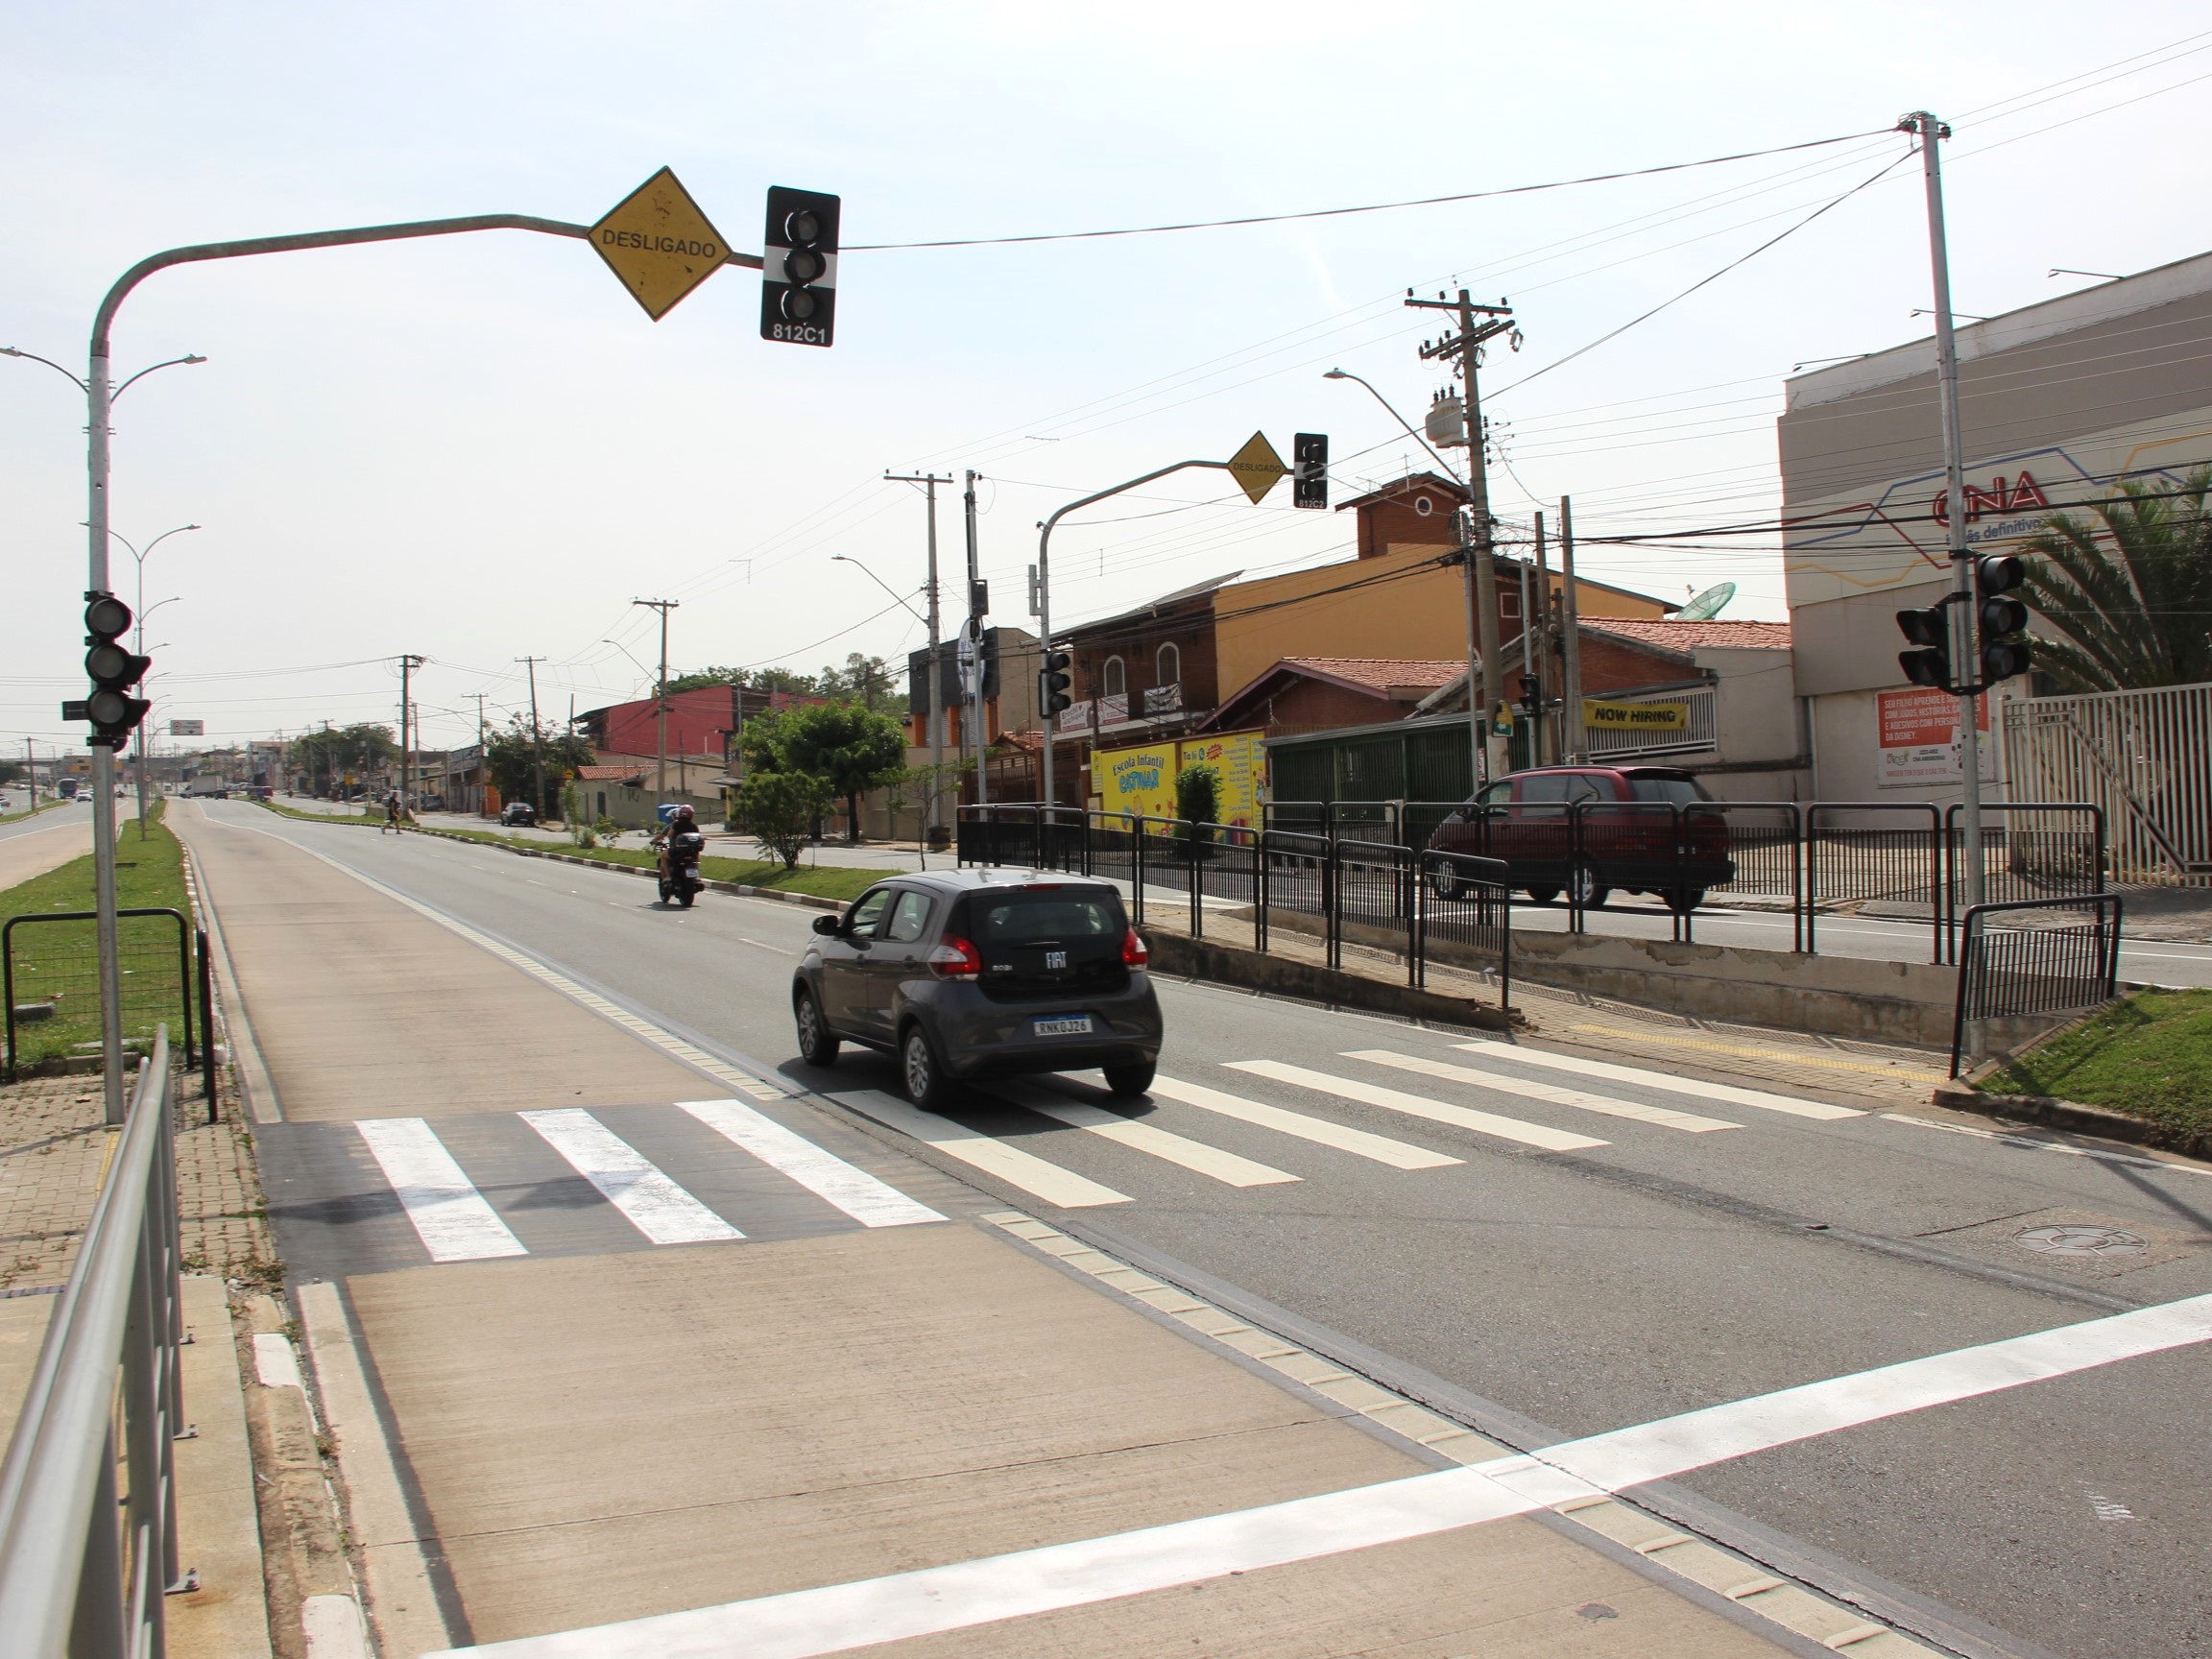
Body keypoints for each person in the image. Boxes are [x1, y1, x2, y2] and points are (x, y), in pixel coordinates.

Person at [651, 804, 698, 878]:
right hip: (691, 852)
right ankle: (695, 877)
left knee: (663, 855)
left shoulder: (675, 824)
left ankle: (668, 877)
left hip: (677, 851)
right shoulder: (694, 826)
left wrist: (653, 841)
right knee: (696, 859)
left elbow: (669, 835)